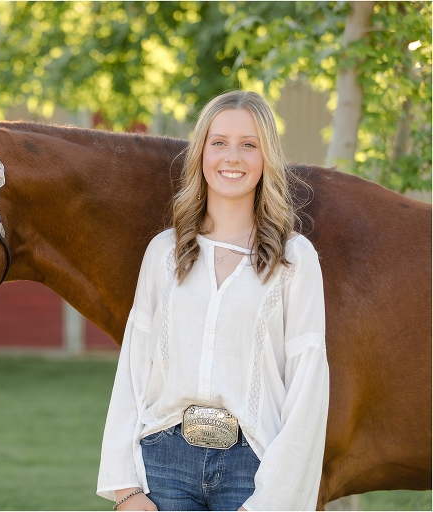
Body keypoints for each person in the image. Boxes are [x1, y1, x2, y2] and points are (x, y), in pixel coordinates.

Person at [97, 90, 329, 511]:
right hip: (163, 463)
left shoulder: (295, 260)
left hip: (253, 469)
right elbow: (133, 371)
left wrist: (271, 502)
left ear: (266, 158)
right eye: (218, 142)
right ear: (201, 153)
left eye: (249, 145)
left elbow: (309, 391)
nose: (232, 157)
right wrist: (125, 489)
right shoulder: (164, 254)